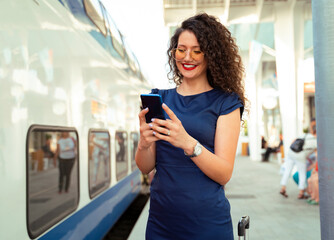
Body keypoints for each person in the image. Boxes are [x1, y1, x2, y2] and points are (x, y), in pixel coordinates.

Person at [135, 13, 246, 239]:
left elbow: (224, 174)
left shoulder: (226, 102)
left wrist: (188, 143)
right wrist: (144, 144)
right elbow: (145, 168)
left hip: (207, 224)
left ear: (211, 56)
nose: (187, 57)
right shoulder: (160, 98)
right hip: (161, 223)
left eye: (197, 50)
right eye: (181, 49)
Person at [279, 118, 317, 199]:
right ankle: (301, 193)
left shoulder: (305, 135)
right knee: (302, 174)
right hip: (300, 157)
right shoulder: (316, 141)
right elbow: (317, 156)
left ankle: (283, 188)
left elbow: (293, 142)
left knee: (287, 171)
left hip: (291, 153)